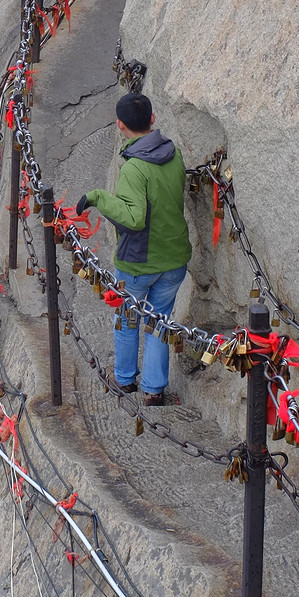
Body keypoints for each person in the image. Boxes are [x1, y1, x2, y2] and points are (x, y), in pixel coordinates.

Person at [75, 93, 192, 404]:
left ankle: (125, 380)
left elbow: (134, 218)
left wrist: (99, 197)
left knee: (128, 320)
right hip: (174, 259)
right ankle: (154, 390)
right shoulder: (174, 153)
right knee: (159, 322)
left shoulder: (133, 169)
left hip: (138, 264)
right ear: (152, 120)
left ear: (120, 125)